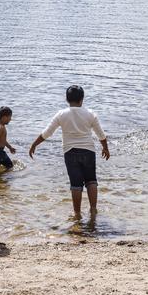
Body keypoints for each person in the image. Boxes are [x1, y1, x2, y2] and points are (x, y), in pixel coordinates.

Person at [29, 85, 109, 220]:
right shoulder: (90, 114)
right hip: (89, 151)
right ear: (82, 99)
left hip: (70, 152)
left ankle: (77, 214)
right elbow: (101, 135)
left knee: (75, 185)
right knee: (91, 181)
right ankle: (93, 210)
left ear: (67, 99)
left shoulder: (61, 114)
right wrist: (105, 148)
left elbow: (47, 133)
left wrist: (34, 145)